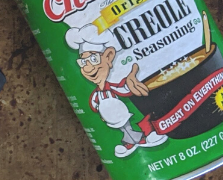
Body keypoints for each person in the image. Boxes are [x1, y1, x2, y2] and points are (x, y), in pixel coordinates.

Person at [66, 24, 167, 158]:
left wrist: (130, 80)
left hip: (125, 112)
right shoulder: (96, 96)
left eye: (93, 59)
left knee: (138, 118)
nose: (88, 68)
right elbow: (94, 107)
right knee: (125, 129)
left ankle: (148, 134)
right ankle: (129, 144)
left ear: (108, 57)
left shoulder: (113, 87)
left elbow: (124, 89)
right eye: (83, 63)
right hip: (113, 119)